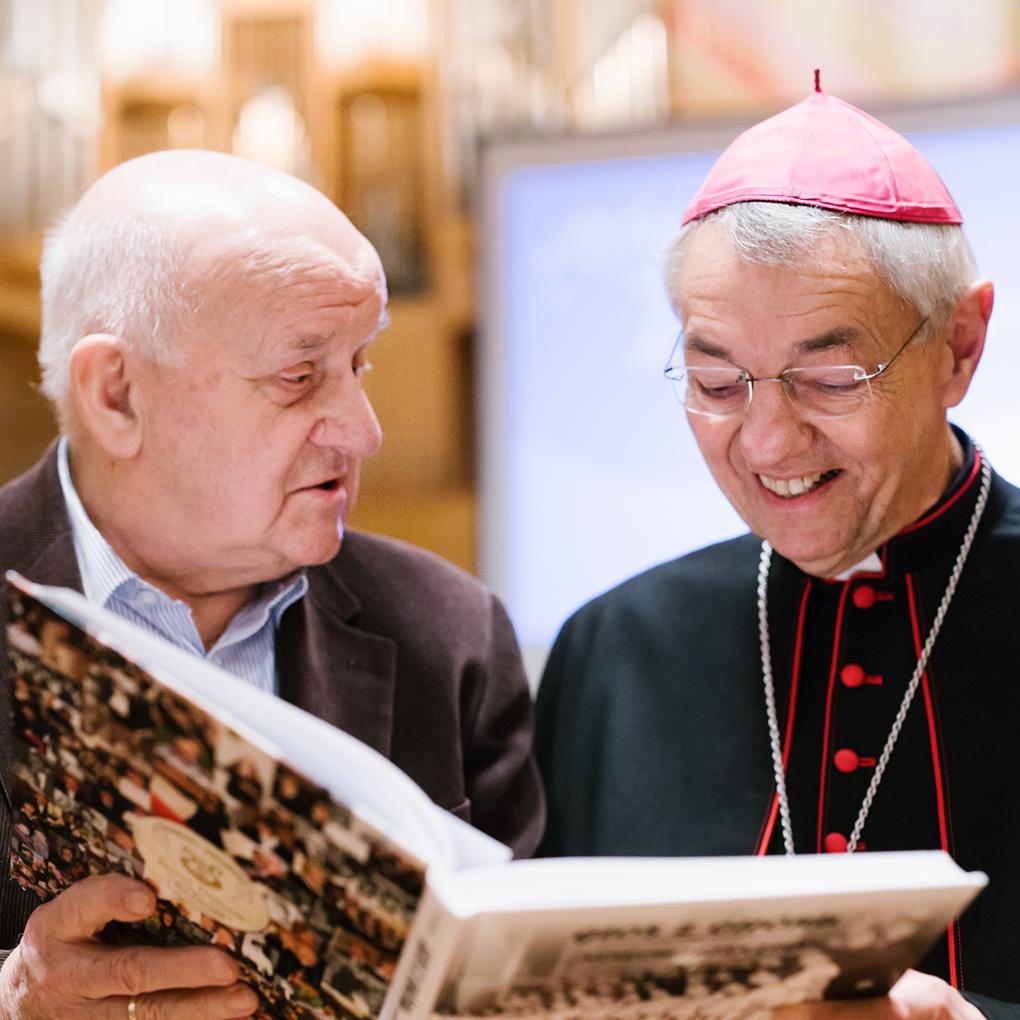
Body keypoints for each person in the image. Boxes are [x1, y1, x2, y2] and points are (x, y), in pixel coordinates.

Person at [0, 150, 543, 1018]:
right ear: (115, 396)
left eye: (359, 364)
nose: (363, 432)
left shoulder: (451, 636)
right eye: (298, 377)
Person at [535, 80, 1020, 1017]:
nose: (765, 443)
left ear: (960, 346)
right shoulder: (614, 649)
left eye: (830, 378)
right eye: (717, 382)